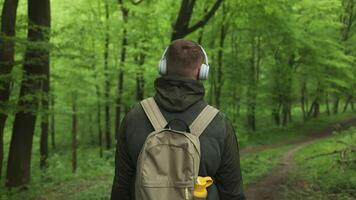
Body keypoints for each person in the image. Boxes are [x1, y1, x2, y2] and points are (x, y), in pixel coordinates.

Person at [110, 39, 245, 200]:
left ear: (164, 67)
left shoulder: (134, 117)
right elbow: (232, 193)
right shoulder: (219, 123)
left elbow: (121, 188)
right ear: (201, 71)